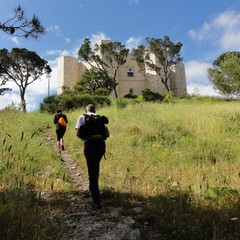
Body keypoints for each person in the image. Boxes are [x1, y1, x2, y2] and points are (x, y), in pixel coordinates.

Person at [75, 104, 110, 209]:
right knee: (96, 167)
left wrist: (85, 137)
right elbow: (107, 134)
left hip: (89, 145)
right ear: (95, 110)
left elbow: (77, 133)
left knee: (91, 170)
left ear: (85, 110)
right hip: (100, 146)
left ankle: (97, 200)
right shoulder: (99, 118)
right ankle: (92, 189)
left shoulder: (83, 117)